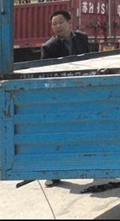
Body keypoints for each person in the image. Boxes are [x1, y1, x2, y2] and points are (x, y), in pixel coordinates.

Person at [40, 10, 89, 188]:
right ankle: (54, 173)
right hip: (61, 96)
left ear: (69, 22)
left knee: (86, 131)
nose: (57, 26)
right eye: (54, 24)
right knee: (59, 135)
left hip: (82, 92)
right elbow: (45, 75)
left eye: (60, 22)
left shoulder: (82, 39)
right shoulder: (48, 47)